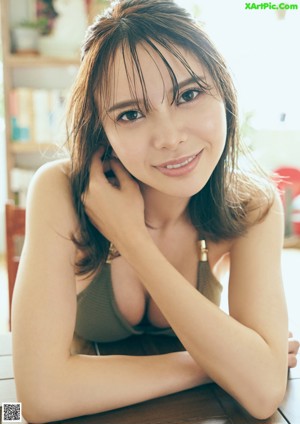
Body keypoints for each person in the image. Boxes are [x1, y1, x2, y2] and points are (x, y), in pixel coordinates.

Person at [12, 0, 299, 422]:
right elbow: (39, 398)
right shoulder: (61, 191)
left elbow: (263, 394)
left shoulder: (251, 205)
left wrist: (132, 238)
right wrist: (219, 362)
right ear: (102, 130)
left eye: (188, 94)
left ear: (224, 88)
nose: (169, 137)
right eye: (130, 114)